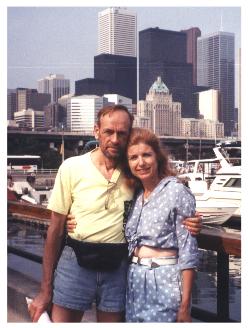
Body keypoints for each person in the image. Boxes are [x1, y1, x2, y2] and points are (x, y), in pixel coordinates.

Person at [29, 105, 201, 323]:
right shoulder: (71, 167)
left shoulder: (132, 170)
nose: (115, 139)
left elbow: (161, 195)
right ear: (96, 131)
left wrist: (192, 221)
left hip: (118, 267)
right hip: (76, 262)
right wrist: (45, 289)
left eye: (122, 133)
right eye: (109, 131)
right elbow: (55, 230)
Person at [124, 128, 198, 322]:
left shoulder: (176, 191)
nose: (141, 162)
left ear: (158, 157)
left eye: (146, 155)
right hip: (135, 281)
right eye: (133, 158)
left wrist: (185, 305)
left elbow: (188, 251)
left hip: (164, 280)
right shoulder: (138, 195)